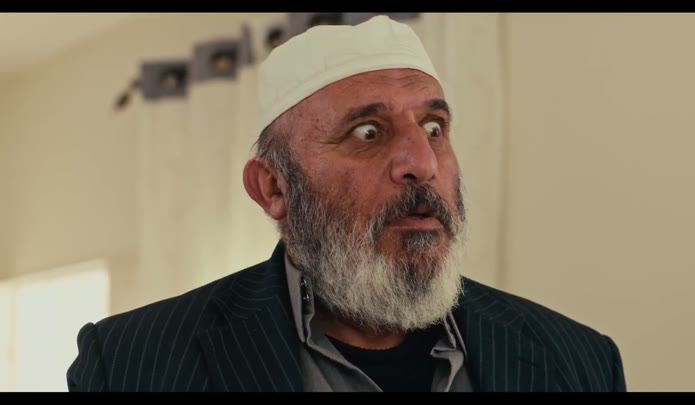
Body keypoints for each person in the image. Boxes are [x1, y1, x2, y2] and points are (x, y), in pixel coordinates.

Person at [66, 15, 627, 392]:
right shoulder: (132, 364)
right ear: (273, 189)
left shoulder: (578, 361)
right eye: (367, 132)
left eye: (434, 127)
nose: (422, 162)